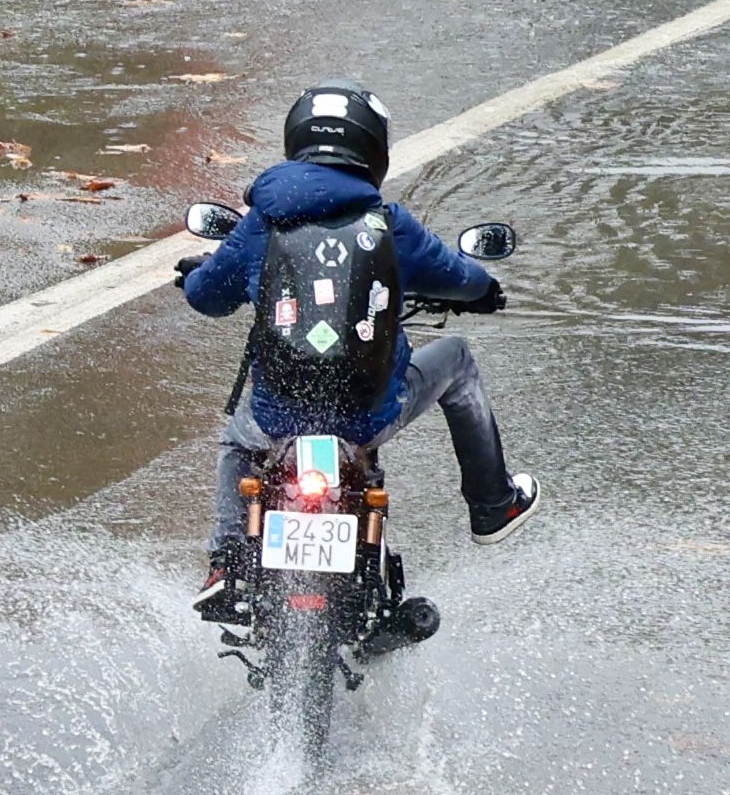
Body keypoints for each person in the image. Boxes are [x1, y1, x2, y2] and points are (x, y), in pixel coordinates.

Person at [177, 82, 539, 622]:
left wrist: (192, 279)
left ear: (295, 142)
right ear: (374, 151)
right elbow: (461, 279)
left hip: (278, 416)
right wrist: (485, 291)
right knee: (457, 358)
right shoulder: (390, 225)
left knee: (237, 440)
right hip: (369, 414)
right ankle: (493, 505)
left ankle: (228, 561)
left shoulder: (262, 222)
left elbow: (208, 297)